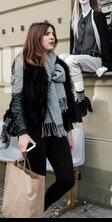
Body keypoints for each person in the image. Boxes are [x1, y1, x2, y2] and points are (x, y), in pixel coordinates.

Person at [11, 21, 81, 211]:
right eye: (47, 34)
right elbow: (16, 100)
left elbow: (65, 102)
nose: (52, 37)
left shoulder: (60, 66)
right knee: (36, 182)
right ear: (36, 37)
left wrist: (68, 130)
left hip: (57, 129)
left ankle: (35, 211)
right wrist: (22, 133)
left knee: (67, 179)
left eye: (53, 34)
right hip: (34, 129)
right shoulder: (23, 62)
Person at [59, 0, 112, 117]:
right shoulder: (75, 20)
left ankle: (82, 99)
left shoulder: (98, 16)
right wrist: (70, 63)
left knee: (71, 59)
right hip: (79, 59)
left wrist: (106, 64)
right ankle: (67, 97)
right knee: (60, 58)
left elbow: (105, 41)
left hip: (95, 59)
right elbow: (73, 48)